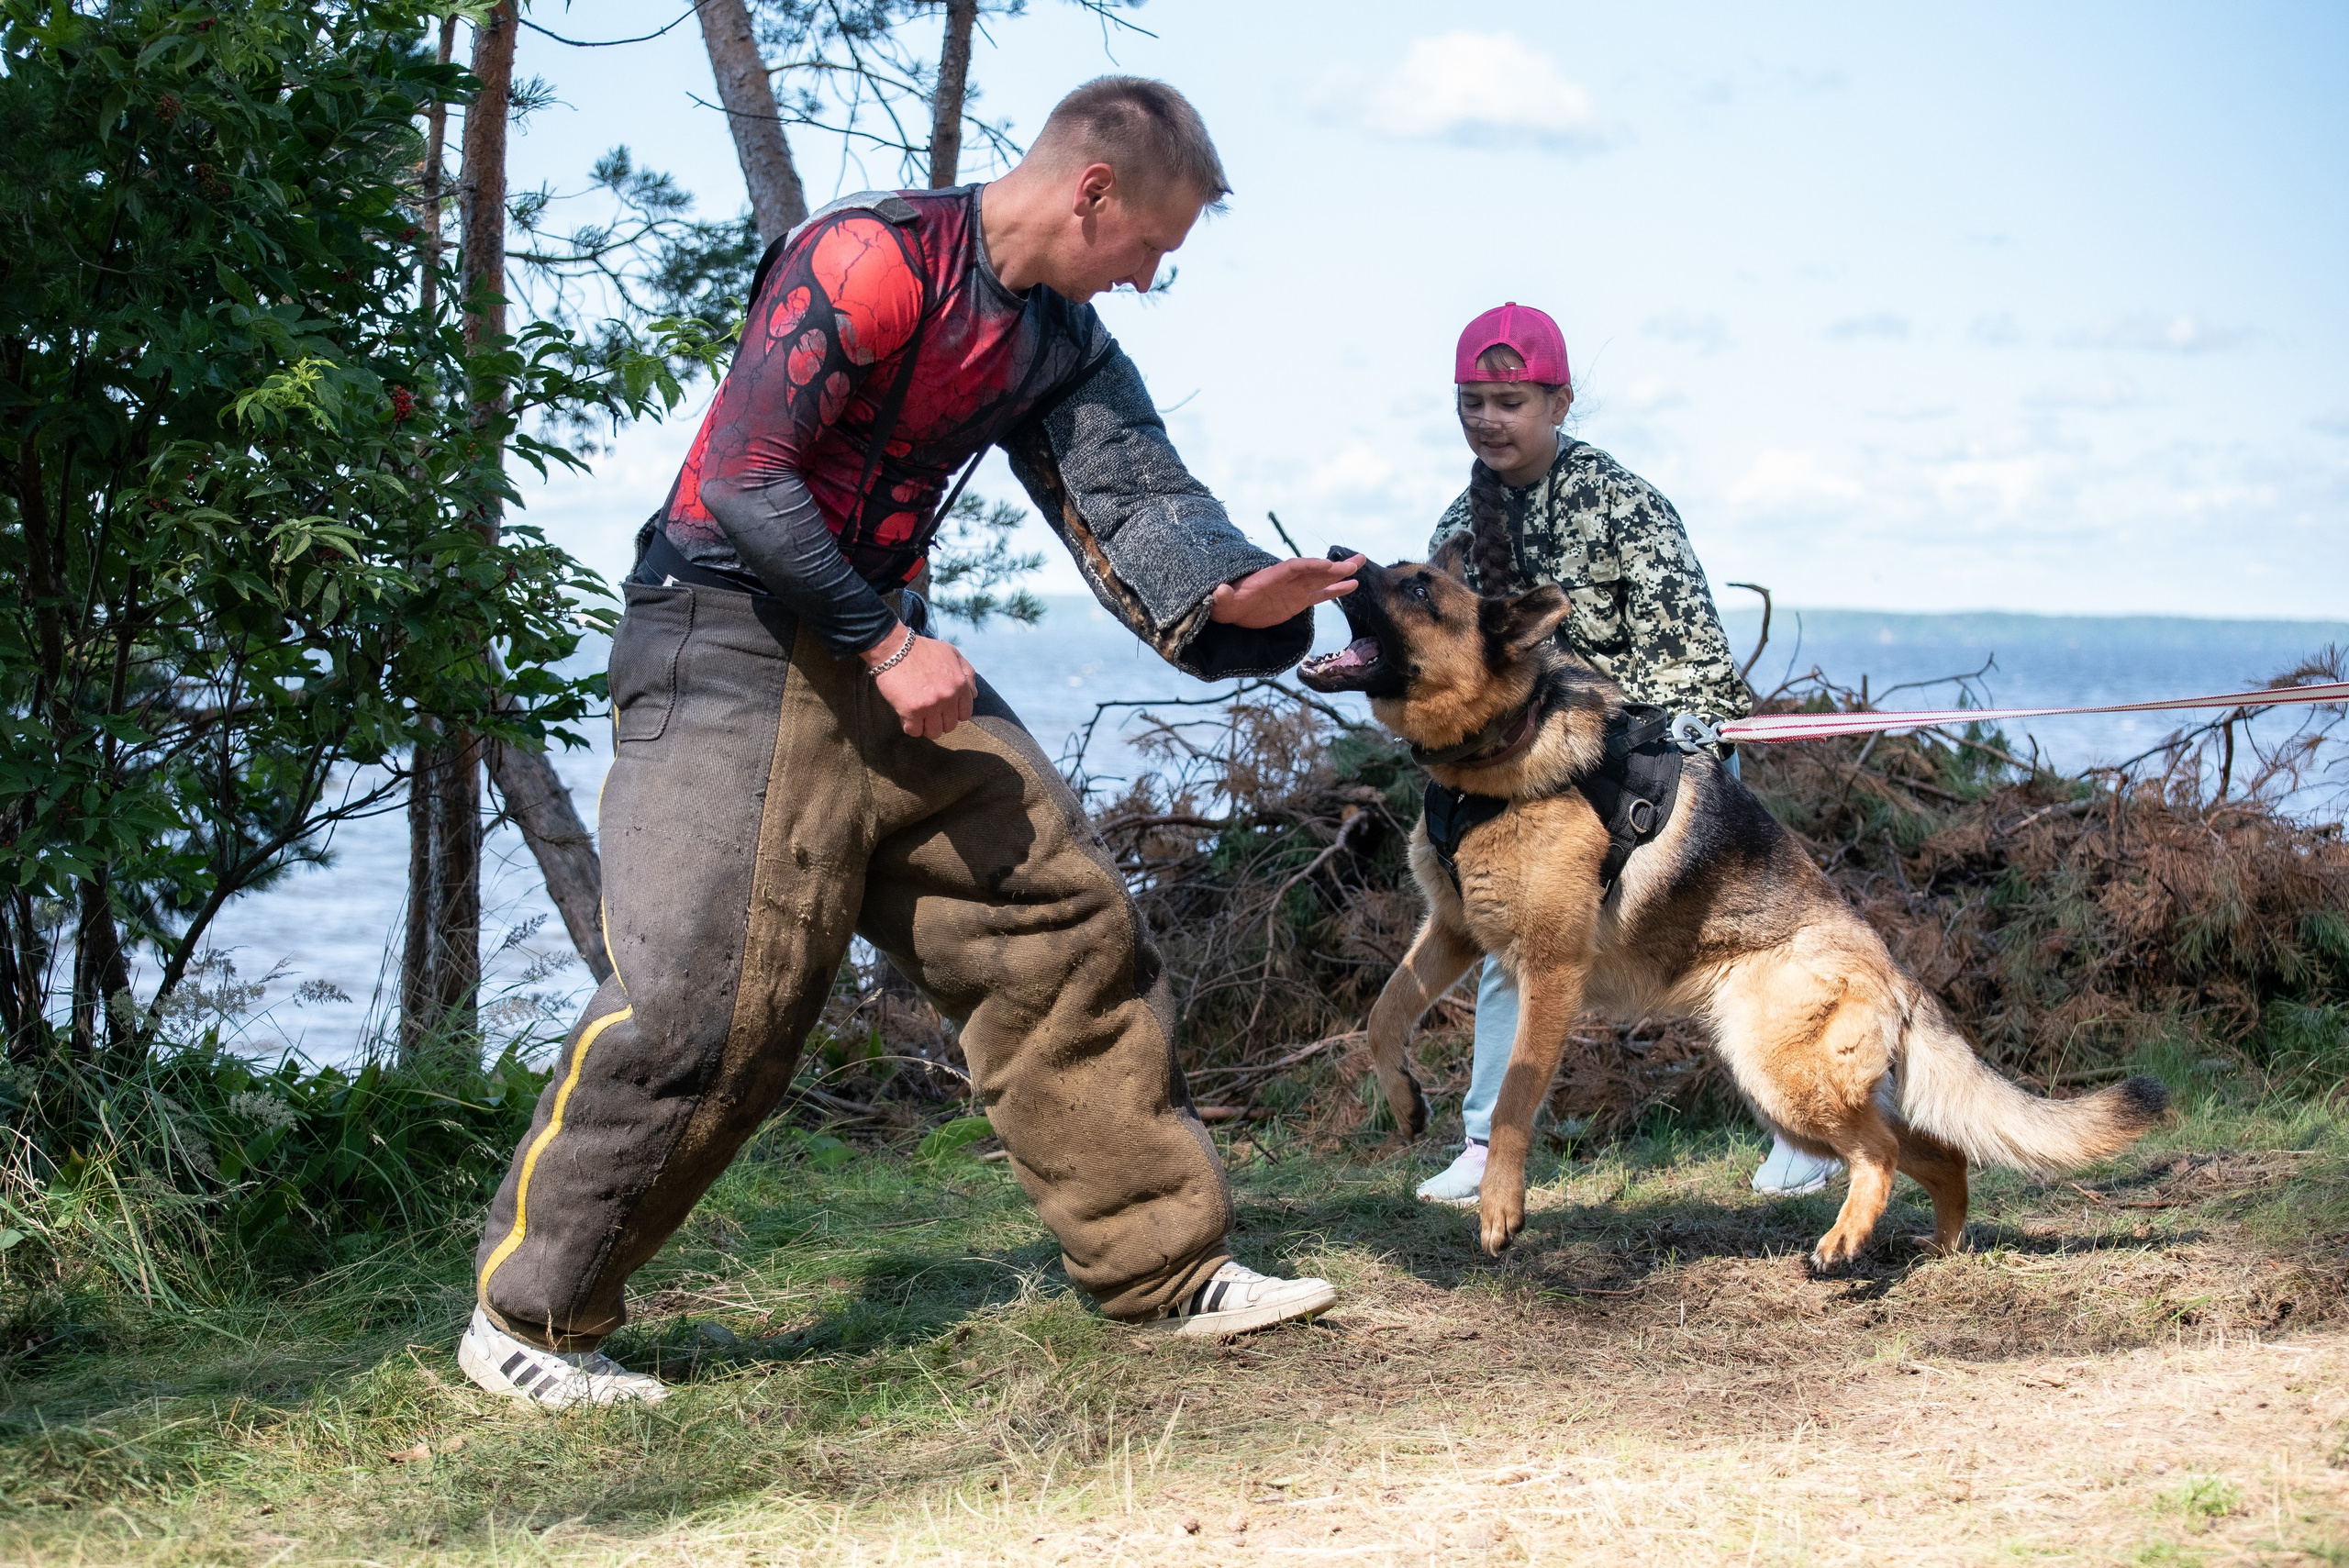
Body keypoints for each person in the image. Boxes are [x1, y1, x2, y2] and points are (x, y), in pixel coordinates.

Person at [457, 78, 1365, 1407]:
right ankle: (525, 1324)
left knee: (1055, 915)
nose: (1148, 280)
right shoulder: (872, 258)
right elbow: (745, 480)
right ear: (1090, 192)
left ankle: (1164, 1270)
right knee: (714, 999)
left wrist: (1244, 600)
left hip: (881, 654)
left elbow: (1140, 505)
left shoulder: (1057, 338)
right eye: (1150, 251)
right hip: (720, 637)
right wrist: (889, 646)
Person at [1411, 302, 1845, 1208]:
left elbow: (1689, 646)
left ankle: (1807, 1136)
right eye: (1470, 400)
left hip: (1656, 759)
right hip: (1535, 773)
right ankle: (1486, 1139)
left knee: (1727, 947)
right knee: (1508, 946)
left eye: (1508, 399)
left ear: (1558, 401)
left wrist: (1685, 735)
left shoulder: (1624, 502)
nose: (1487, 417)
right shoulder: (1460, 521)